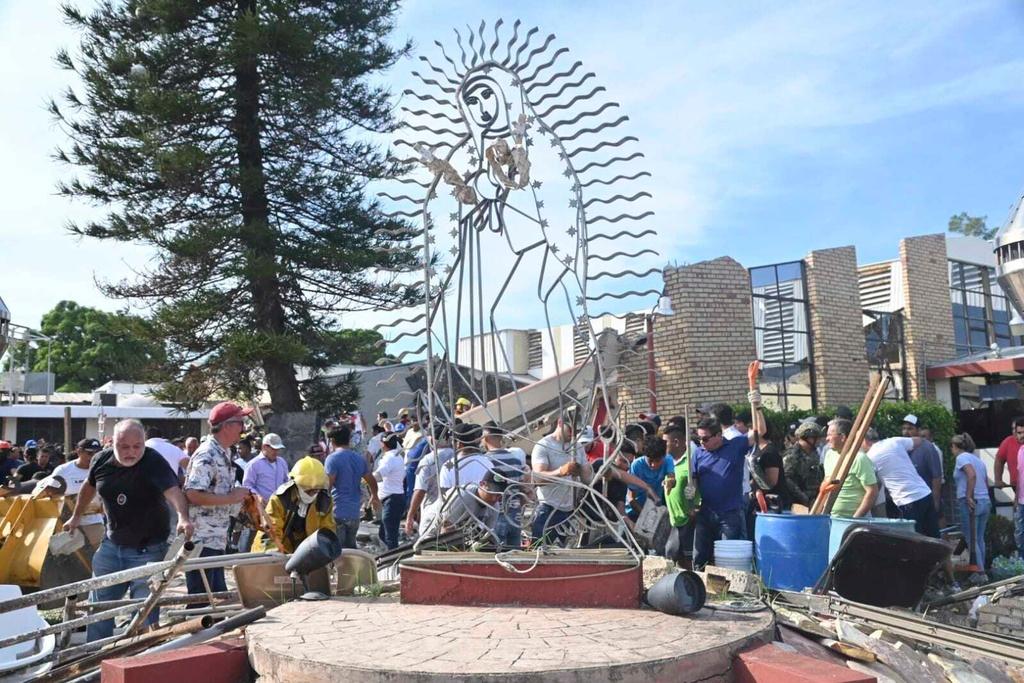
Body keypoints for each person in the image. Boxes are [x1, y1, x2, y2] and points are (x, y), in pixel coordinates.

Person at [64, 420, 192, 641]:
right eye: (124, 446)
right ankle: (96, 658)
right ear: (112, 443)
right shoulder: (101, 460)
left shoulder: (153, 461)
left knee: (143, 611)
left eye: (137, 446)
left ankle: (139, 658)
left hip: (148, 550)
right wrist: (76, 516)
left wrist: (183, 517)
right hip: (111, 547)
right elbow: (89, 486)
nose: (131, 452)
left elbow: (173, 490)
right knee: (99, 607)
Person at [183, 402, 253, 598]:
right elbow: (193, 493)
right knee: (202, 600)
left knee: (216, 598)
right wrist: (231, 497)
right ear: (227, 425)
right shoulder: (207, 454)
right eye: (240, 422)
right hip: (202, 539)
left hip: (216, 538)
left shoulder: (224, 452)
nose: (243, 428)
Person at [691, 382, 764, 569]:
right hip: (706, 511)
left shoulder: (735, 445)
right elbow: (695, 479)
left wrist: (757, 405)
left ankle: (731, 589)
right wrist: (691, 493)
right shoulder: (698, 453)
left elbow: (760, 431)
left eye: (705, 438)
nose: (702, 442)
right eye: (699, 438)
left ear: (718, 435)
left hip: (730, 512)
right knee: (700, 555)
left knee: (729, 555)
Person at [530, 417, 593, 545]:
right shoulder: (543, 446)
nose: (574, 434)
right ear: (560, 423)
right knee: (539, 550)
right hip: (548, 508)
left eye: (577, 431)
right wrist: (561, 471)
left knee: (564, 554)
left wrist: (585, 470)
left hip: (569, 510)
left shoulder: (577, 447)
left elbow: (588, 479)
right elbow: (538, 478)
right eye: (571, 429)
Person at [864, 431, 939, 537]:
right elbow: (919, 440)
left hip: (906, 500)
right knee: (933, 536)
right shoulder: (894, 441)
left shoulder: (869, 458)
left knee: (915, 540)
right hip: (925, 493)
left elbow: (875, 485)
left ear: (864, 440)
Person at [255, 456, 336, 553]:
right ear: (297, 485)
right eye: (308, 490)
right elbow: (271, 529)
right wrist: (274, 553)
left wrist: (326, 551)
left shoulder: (324, 501)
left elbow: (327, 530)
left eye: (316, 490)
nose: (313, 493)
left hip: (307, 553)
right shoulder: (281, 499)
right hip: (278, 552)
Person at [325, 425, 380, 548]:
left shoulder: (332, 459)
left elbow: (327, 485)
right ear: (349, 440)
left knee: (337, 552)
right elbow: (371, 480)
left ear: (333, 441)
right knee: (351, 551)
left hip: (337, 512)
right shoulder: (359, 459)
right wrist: (375, 496)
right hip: (354, 512)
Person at [39, 439, 105, 532]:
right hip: (68, 524)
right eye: (89, 453)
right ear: (78, 451)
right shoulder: (63, 470)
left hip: (94, 522)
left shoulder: (103, 471)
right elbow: (50, 494)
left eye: (97, 453)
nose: (94, 457)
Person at [480, 421, 528, 549]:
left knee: (497, 555)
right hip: (515, 515)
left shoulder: (485, 461)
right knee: (515, 555)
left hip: (496, 515)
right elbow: (522, 489)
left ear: (485, 438)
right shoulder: (516, 461)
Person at [822, 419, 878, 518]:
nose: (827, 438)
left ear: (843, 437)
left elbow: (872, 491)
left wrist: (856, 518)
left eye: (830, 435)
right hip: (831, 517)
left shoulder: (859, 458)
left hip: (853, 520)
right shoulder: (829, 455)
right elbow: (827, 481)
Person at [405, 424, 455, 536]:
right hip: (456, 511)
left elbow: (420, 490)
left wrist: (410, 514)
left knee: (428, 547)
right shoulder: (457, 456)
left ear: (431, 439)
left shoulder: (428, 460)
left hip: (432, 512)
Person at [951, 433, 991, 574]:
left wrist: (968, 496)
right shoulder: (978, 459)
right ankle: (982, 571)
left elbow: (971, 474)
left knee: (971, 539)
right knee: (979, 538)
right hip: (985, 500)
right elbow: (985, 481)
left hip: (971, 502)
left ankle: (980, 573)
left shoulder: (961, 458)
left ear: (956, 447)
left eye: (952, 447)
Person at [663, 423, 699, 568]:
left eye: (666, 442)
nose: (663, 445)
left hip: (689, 519)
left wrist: (697, 506)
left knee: (689, 559)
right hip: (674, 520)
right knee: (670, 555)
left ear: (676, 442)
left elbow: (698, 486)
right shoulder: (668, 463)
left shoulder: (691, 461)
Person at [902, 415, 943, 520]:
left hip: (926, 499)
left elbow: (936, 477)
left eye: (910, 429)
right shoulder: (900, 447)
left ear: (918, 430)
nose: (906, 432)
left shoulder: (927, 448)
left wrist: (935, 501)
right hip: (908, 501)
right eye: (904, 428)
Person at [994, 416, 1024, 559]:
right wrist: (998, 479)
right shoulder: (1010, 443)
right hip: (1018, 491)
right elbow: (999, 460)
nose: (1018, 434)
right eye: (1016, 431)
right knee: (1020, 529)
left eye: (1020, 431)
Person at [626, 438, 674, 520]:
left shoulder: (668, 460)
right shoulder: (636, 465)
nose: (653, 465)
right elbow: (631, 498)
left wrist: (670, 482)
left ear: (664, 456)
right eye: (650, 461)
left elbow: (671, 478)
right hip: (634, 512)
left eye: (657, 461)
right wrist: (644, 517)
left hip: (654, 512)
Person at [374, 433, 406, 550]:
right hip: (395, 499)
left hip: (392, 501)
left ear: (383, 444)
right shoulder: (397, 456)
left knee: (390, 537)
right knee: (384, 535)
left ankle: (394, 562)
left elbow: (378, 476)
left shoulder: (389, 458)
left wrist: (363, 479)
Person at [783, 422, 825, 508]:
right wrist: (804, 498)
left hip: (815, 501)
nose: (820, 441)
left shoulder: (814, 453)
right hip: (797, 504)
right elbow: (787, 480)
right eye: (817, 438)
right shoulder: (792, 455)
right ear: (809, 438)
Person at [242, 434, 291, 503]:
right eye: (273, 449)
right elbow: (247, 486)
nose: (276, 452)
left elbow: (287, 481)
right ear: (264, 447)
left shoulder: (282, 462)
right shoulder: (253, 464)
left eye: (278, 449)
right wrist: (258, 497)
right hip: (262, 508)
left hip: (280, 506)